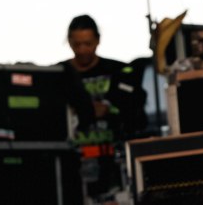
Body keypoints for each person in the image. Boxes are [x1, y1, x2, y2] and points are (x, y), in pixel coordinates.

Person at [63, 15, 146, 201]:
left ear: (98, 40)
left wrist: (110, 110)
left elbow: (137, 112)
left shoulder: (117, 70)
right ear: (69, 42)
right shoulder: (59, 74)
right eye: (77, 44)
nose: (82, 50)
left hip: (112, 165)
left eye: (88, 43)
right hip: (72, 167)